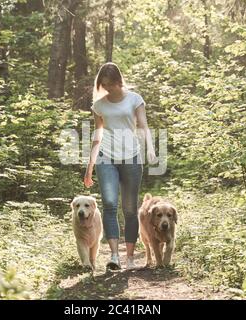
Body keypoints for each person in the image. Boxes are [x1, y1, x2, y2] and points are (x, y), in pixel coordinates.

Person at [83, 62, 157, 270]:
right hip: (106, 158)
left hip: (132, 158)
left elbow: (143, 125)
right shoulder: (99, 105)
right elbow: (98, 135)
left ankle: (131, 258)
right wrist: (90, 166)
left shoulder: (135, 99)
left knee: (130, 210)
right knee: (109, 205)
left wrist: (150, 148)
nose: (108, 88)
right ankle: (115, 256)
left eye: (111, 84)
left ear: (119, 81)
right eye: (104, 85)